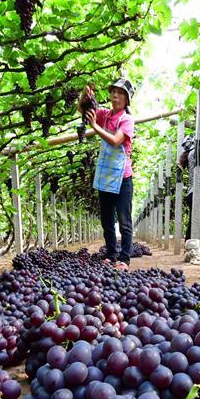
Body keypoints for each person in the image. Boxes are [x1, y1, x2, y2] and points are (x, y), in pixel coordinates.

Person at [80, 79, 136, 270]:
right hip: (105, 176)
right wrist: (86, 96)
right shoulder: (105, 115)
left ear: (127, 99)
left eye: (120, 93)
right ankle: (111, 254)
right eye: (113, 92)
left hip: (123, 178)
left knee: (124, 221)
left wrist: (95, 127)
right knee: (106, 220)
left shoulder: (126, 120)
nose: (115, 96)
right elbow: (84, 109)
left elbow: (114, 141)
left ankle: (125, 259)